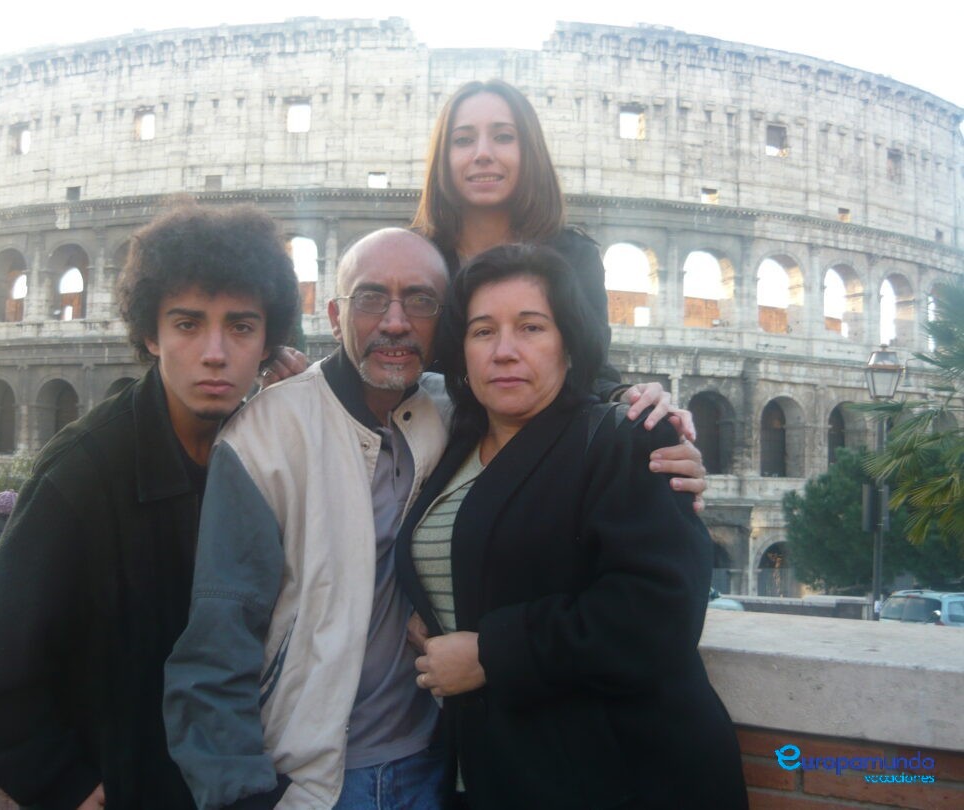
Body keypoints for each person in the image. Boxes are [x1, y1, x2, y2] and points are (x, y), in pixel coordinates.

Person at [0, 203, 299, 810]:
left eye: (242, 327)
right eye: (189, 324)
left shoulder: (270, 458)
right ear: (151, 333)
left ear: (268, 342)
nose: (215, 353)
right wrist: (68, 787)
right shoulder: (84, 470)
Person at [395, 244, 748, 809]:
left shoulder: (629, 438)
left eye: (531, 327)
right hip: (492, 770)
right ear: (461, 350)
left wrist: (493, 653)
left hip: (620, 774)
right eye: (483, 332)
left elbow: (659, 613)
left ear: (568, 342)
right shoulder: (452, 444)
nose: (504, 351)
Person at [164, 228, 452, 810]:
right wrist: (245, 796)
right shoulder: (265, 436)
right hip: (311, 783)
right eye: (370, 298)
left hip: (435, 763)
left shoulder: (453, 413)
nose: (395, 322)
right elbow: (219, 638)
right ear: (333, 313)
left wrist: (633, 406)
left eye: (419, 300)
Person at [412, 78, 653, 409]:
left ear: (530, 150)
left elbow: (591, 367)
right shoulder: (415, 259)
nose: (483, 153)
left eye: (504, 137)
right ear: (443, 156)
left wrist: (625, 399)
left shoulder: (574, 257)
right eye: (463, 140)